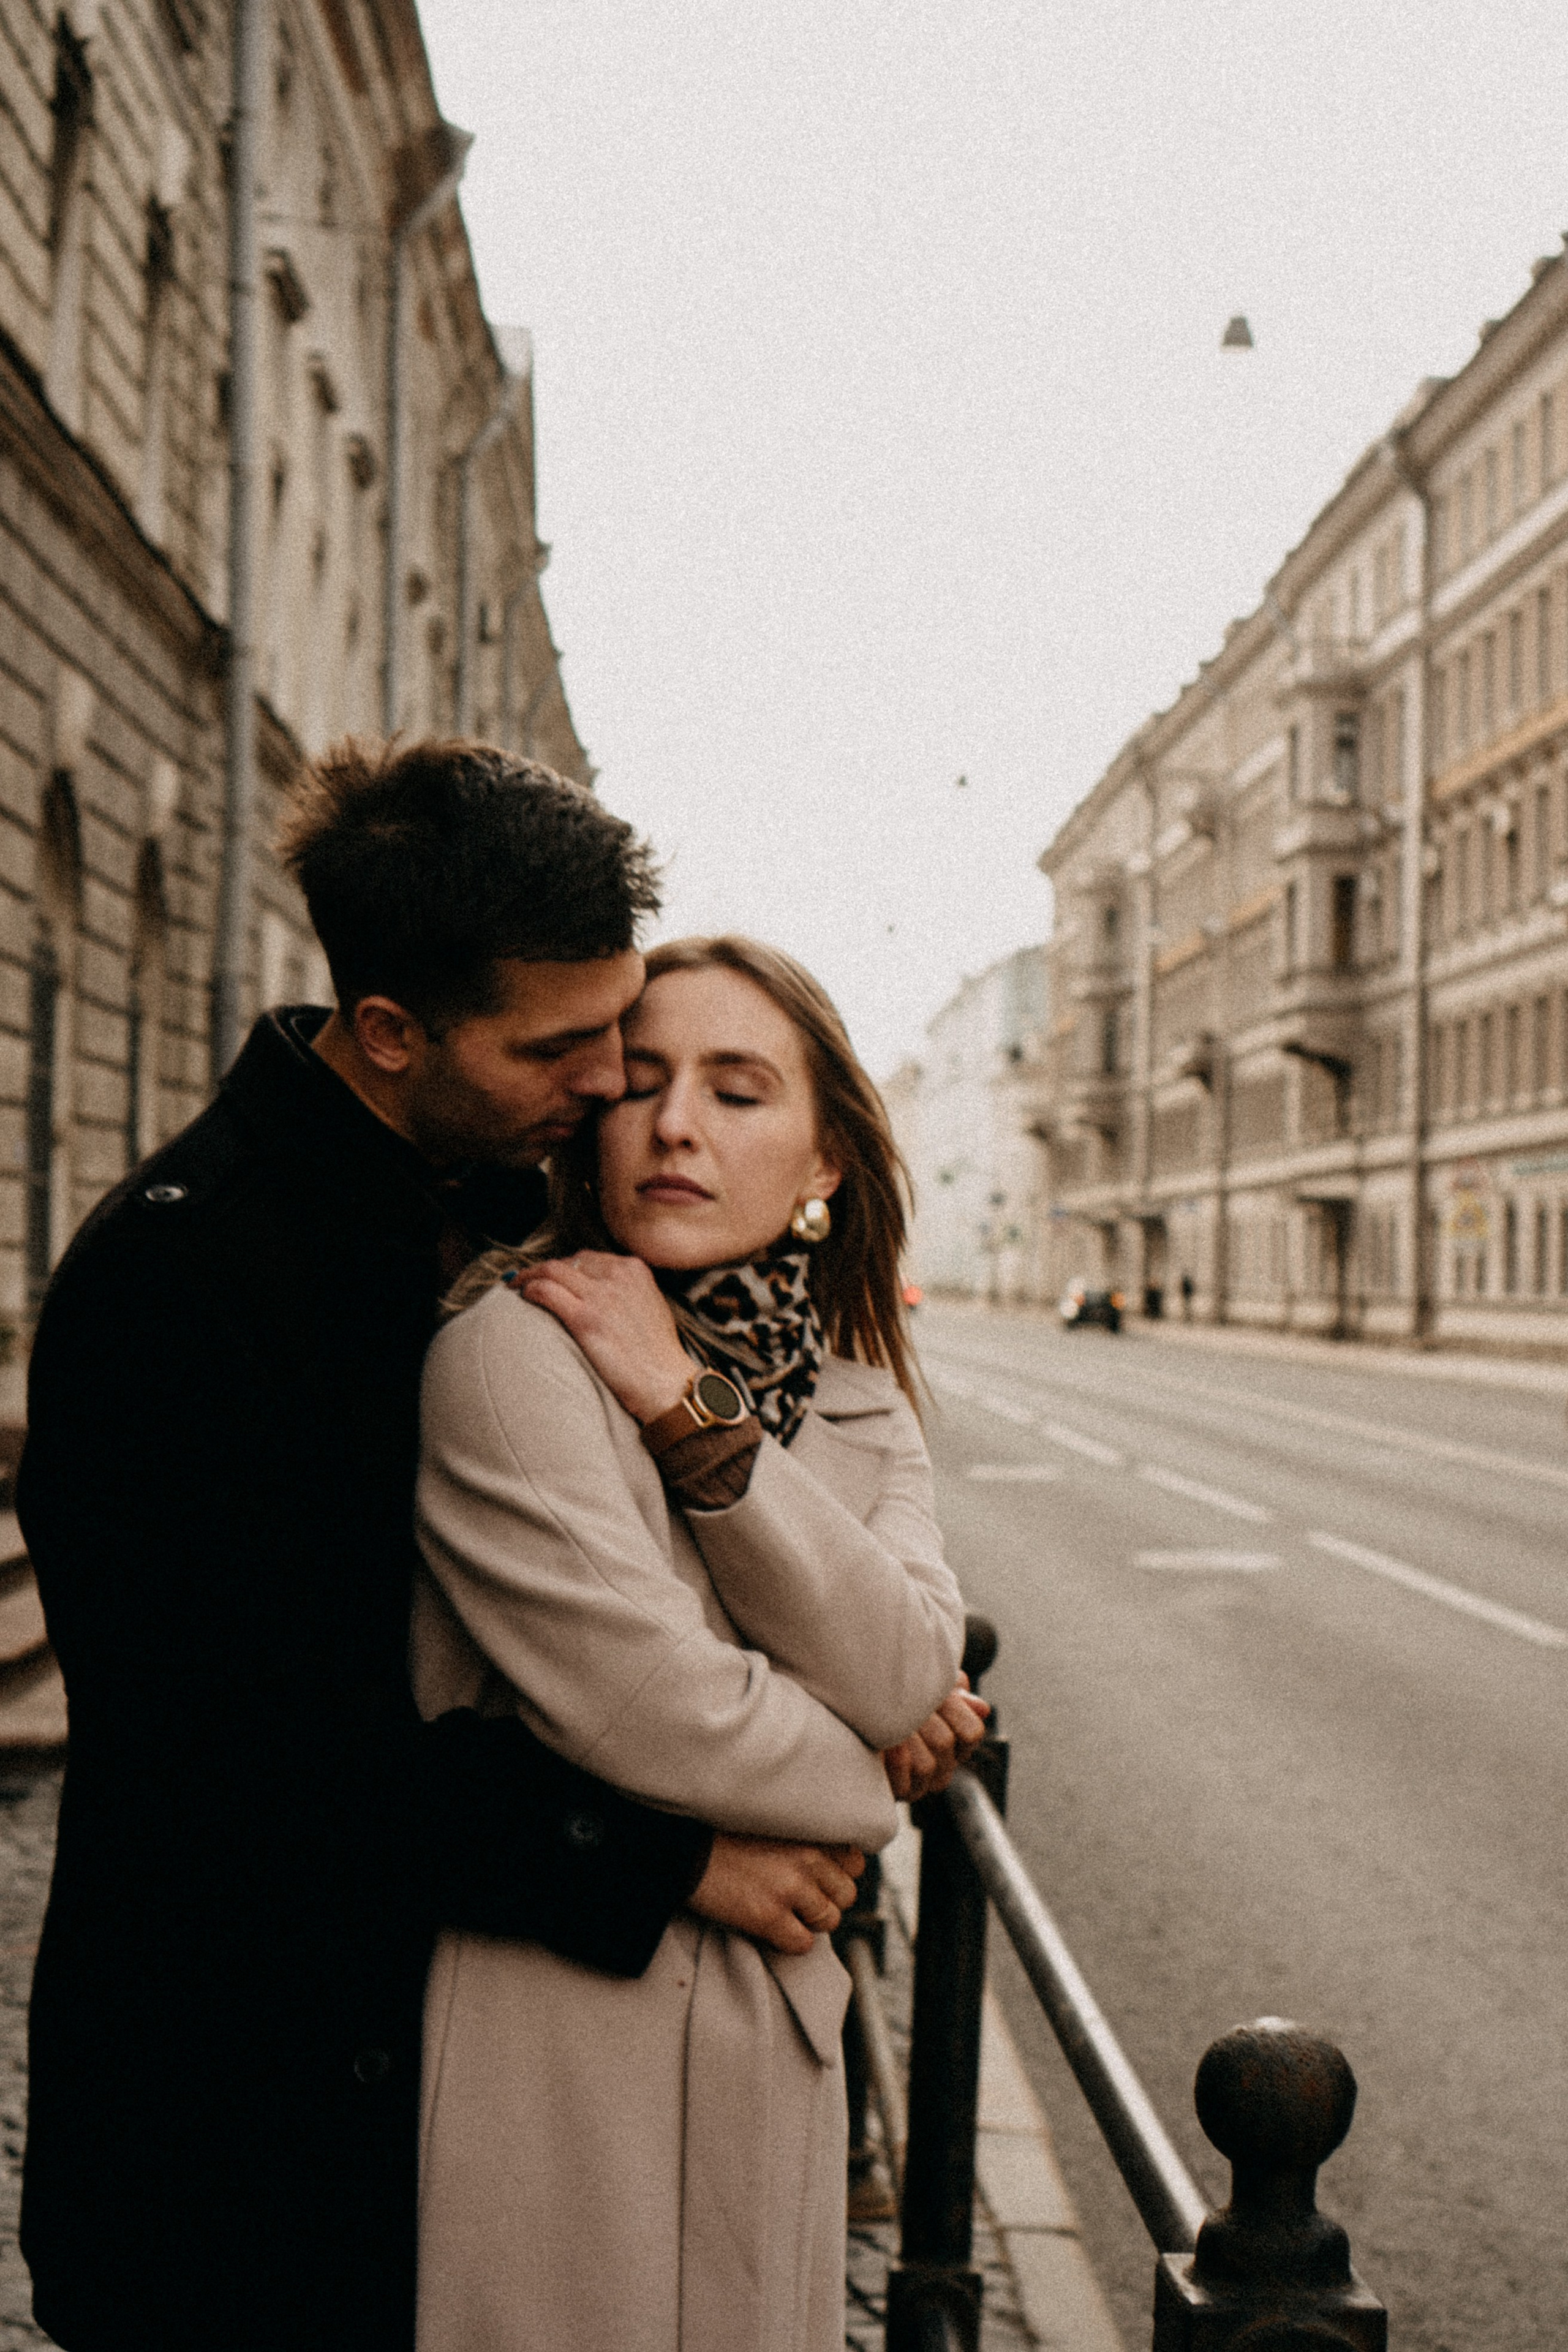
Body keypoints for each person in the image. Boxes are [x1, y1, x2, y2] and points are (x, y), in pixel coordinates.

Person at [17, 744, 866, 2352]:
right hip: (231, 2153)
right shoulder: (181, 1289)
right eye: (566, 1042)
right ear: (394, 1035)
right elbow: (255, 1767)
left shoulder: (475, 1205)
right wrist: (680, 1860)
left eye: (622, 1019)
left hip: (409, 2125)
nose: (617, 1078)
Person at [411, 935, 984, 2352]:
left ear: (823, 1162)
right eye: (642, 1082)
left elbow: (912, 1668)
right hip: (561, 2040)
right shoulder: (508, 1351)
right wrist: (875, 1777)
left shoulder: (859, 1405)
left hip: (773, 2037)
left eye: (737, 1092)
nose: (675, 1124)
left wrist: (686, 1403)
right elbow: (652, 1710)